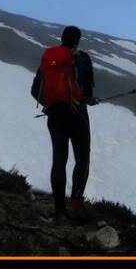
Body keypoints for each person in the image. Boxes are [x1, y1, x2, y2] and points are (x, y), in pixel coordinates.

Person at [36, 25, 98, 222]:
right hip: (77, 116)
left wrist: (50, 104)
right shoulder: (82, 59)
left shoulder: (48, 59)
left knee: (59, 161)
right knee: (82, 159)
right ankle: (77, 204)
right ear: (78, 41)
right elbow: (86, 91)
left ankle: (59, 210)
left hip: (55, 116)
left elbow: (34, 89)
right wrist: (88, 99)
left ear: (61, 38)